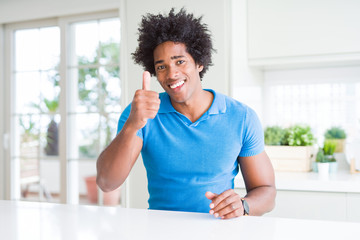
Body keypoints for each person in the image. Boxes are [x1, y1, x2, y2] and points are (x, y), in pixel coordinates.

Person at [96, 8, 276, 219]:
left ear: (199, 62)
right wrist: (132, 125)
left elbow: (267, 191)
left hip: (219, 231)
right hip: (161, 232)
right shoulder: (141, 114)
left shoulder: (241, 117)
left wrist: (243, 205)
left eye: (180, 61)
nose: (171, 74)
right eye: (161, 66)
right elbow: (107, 183)